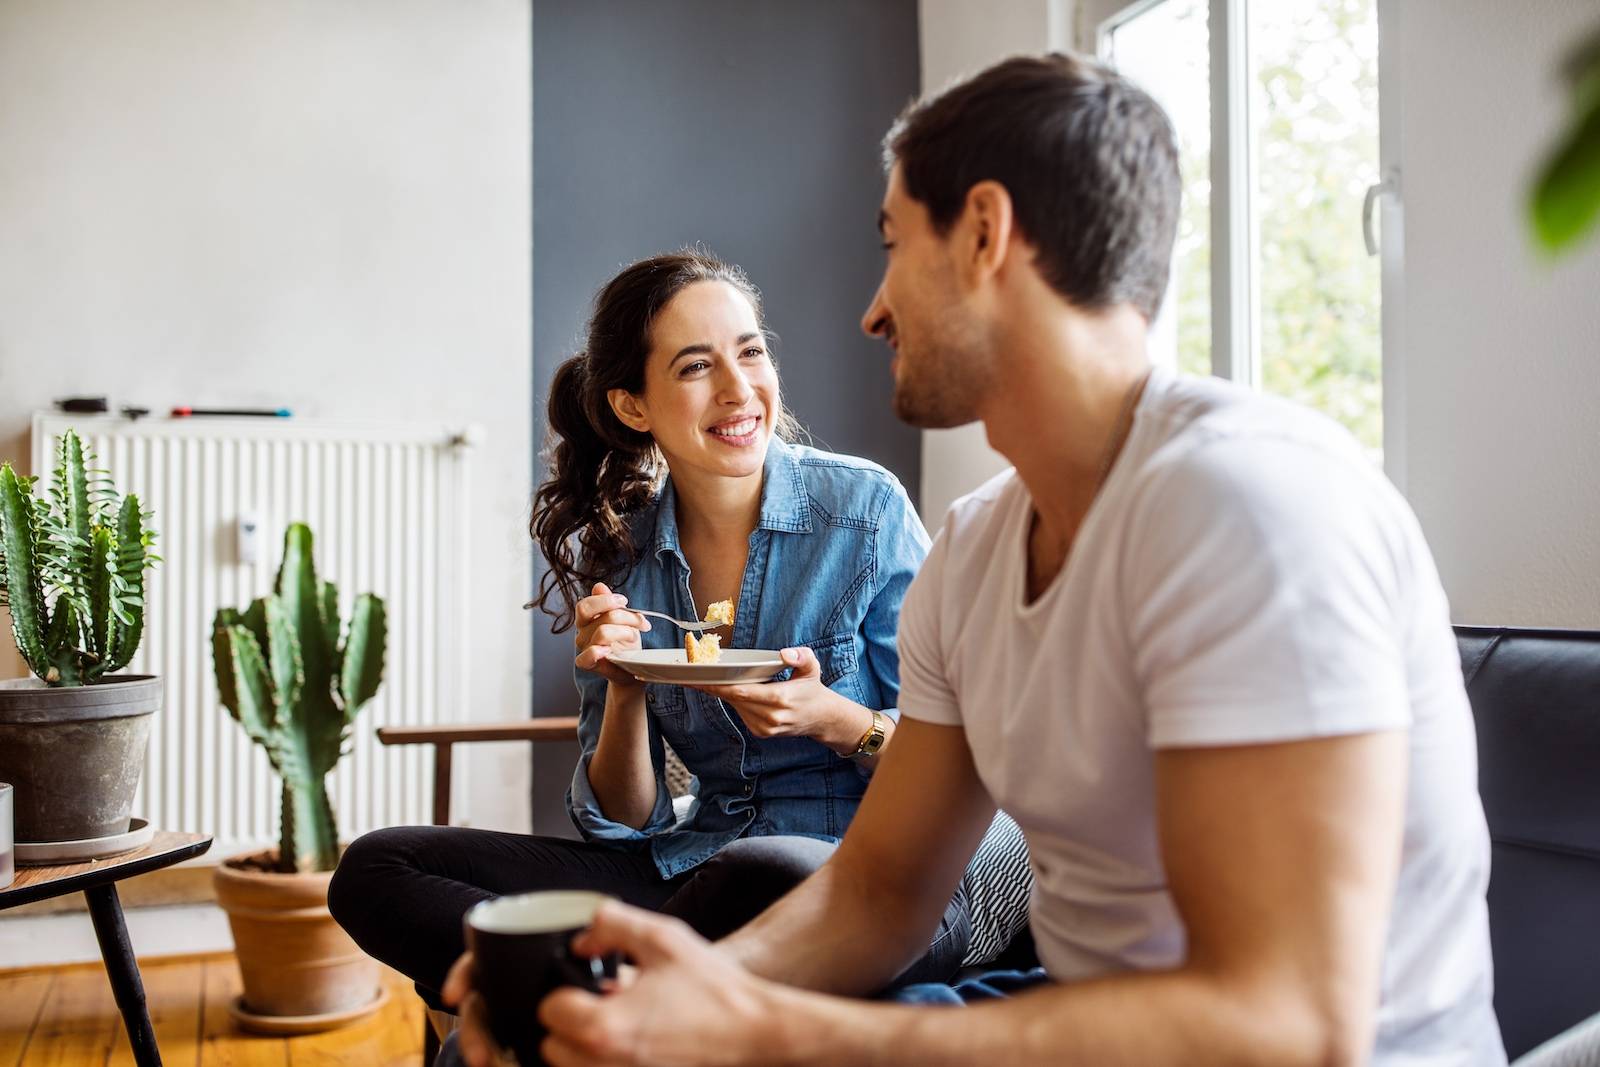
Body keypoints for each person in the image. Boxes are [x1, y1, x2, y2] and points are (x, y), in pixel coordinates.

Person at [440, 51, 1506, 1067]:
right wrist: (664, 1005)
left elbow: (1284, 1025)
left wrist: (767, 1031)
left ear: (984, 235)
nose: (871, 309)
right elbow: (879, 891)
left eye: (892, 243)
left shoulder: (1248, 509)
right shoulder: (978, 548)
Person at [330, 250, 1011, 1016]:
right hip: (697, 871)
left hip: (865, 879)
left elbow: (960, 767)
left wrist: (836, 721)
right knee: (379, 866)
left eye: (750, 351)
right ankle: (607, 996)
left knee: (759, 870)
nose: (738, 388)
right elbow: (626, 825)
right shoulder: (622, 557)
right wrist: (623, 688)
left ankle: (563, 997)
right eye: (695, 367)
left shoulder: (863, 512)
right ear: (633, 406)